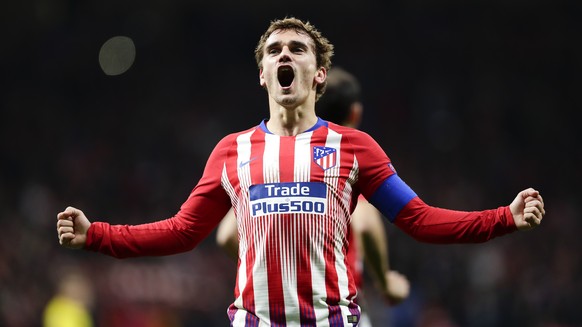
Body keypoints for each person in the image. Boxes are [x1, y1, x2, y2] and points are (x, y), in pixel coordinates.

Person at [56, 17, 546, 326]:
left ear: (319, 75)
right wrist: (96, 234)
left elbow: (418, 219)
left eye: (296, 48)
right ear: (263, 74)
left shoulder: (354, 147)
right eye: (273, 51)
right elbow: (182, 232)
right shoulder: (232, 151)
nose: (284, 54)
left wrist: (504, 217)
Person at [215, 67, 410, 326]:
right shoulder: (345, 162)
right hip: (332, 310)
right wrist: (385, 282)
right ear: (355, 114)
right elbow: (363, 222)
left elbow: (227, 235)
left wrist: (279, 267)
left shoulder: (275, 165)